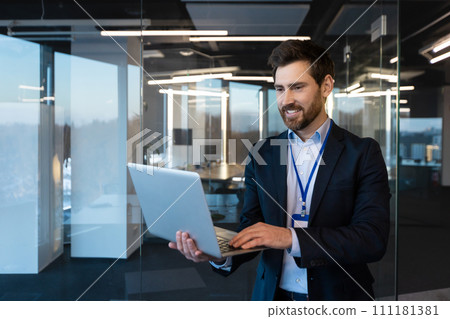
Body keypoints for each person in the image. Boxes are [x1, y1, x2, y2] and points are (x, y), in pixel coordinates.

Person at [168, 40, 390, 301]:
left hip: (339, 297)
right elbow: (252, 228)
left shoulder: (362, 153)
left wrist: (290, 237)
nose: (287, 100)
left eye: (298, 87)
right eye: (280, 89)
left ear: (326, 86)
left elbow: (371, 239)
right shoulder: (263, 153)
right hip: (272, 297)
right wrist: (219, 255)